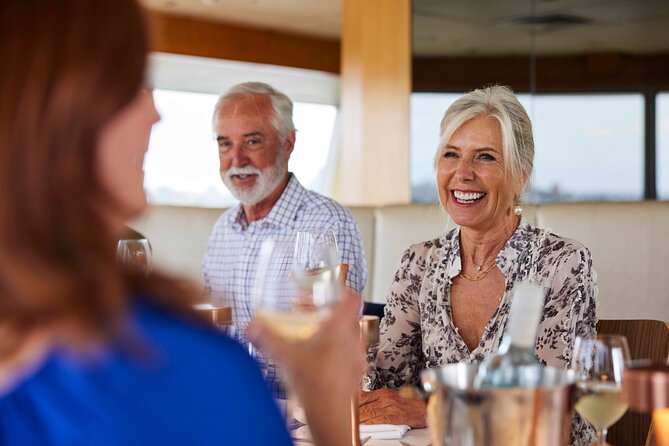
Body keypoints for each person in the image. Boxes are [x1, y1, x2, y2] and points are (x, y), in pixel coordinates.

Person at [0, 1, 363, 445]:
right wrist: (330, 411)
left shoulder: (324, 222)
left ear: (289, 145)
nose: (156, 114)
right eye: (136, 83)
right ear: (73, 112)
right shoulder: (177, 367)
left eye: (252, 141)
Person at [360, 85, 597, 445]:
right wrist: (349, 350)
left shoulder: (561, 263)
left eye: (485, 157)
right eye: (451, 155)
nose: (463, 173)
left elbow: (550, 412)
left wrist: (433, 409)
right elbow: (389, 391)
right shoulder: (418, 262)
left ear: (520, 177)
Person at [203, 82, 367, 346]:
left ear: (287, 143)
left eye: (252, 141)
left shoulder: (330, 224)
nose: (236, 159)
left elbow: (335, 340)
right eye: (225, 144)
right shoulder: (223, 228)